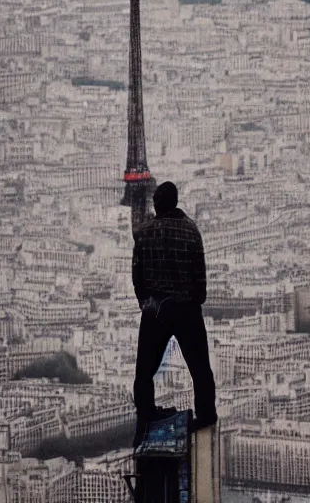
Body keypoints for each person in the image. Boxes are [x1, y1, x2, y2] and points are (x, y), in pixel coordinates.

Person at [132, 181, 218, 443]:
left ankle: (147, 412)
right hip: (186, 309)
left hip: (156, 309)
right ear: (176, 201)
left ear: (156, 205)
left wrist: (146, 303)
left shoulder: (144, 233)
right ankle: (205, 414)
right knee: (200, 367)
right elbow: (200, 276)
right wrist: (194, 301)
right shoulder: (191, 231)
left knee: (145, 370)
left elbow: (137, 276)